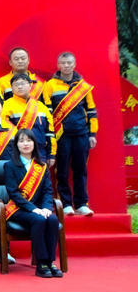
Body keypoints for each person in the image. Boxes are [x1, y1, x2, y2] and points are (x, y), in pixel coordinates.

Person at [42, 52, 98, 216]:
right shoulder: (49, 85)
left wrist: (92, 134)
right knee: (62, 171)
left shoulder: (83, 86)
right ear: (58, 65)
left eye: (69, 63)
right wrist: (50, 135)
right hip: (61, 135)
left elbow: (91, 111)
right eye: (63, 63)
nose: (66, 66)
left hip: (82, 133)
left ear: (74, 64)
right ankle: (66, 203)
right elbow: (47, 113)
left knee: (81, 169)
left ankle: (81, 203)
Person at [2, 130, 63, 278]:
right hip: (18, 209)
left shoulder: (41, 166)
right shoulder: (10, 166)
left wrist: (47, 208)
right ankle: (41, 263)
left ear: (34, 143)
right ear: (16, 145)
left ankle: (50, 261)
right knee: (39, 219)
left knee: (52, 219)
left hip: (39, 209)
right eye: (21, 141)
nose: (25, 144)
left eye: (29, 140)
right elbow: (14, 193)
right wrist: (34, 209)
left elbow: (47, 191)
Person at [2, 73, 57, 166]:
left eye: (22, 83)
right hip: (16, 153)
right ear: (11, 88)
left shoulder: (41, 106)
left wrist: (51, 154)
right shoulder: (6, 106)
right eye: (16, 85)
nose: (19, 87)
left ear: (30, 85)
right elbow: (4, 133)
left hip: (40, 152)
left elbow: (49, 132)